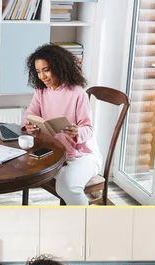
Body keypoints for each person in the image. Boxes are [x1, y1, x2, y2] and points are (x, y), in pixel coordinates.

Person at [22, 44, 100, 205]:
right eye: (38, 71)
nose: (42, 76)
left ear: (59, 67)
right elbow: (29, 115)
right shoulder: (41, 91)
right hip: (56, 152)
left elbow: (88, 129)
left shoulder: (78, 93)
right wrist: (28, 126)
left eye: (46, 70)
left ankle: (87, 225)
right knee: (24, 168)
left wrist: (76, 132)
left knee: (67, 186)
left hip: (83, 155)